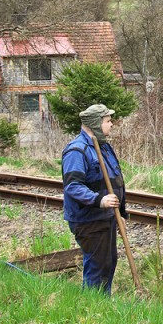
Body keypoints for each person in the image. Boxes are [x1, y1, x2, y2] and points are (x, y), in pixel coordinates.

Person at [61, 103, 127, 294]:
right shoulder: (77, 151)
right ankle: (92, 310)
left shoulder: (104, 147)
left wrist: (119, 214)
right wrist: (100, 200)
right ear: (95, 124)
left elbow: (115, 181)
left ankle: (102, 305)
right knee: (98, 266)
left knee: (108, 263)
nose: (111, 124)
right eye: (107, 121)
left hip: (105, 218)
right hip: (89, 220)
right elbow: (73, 186)